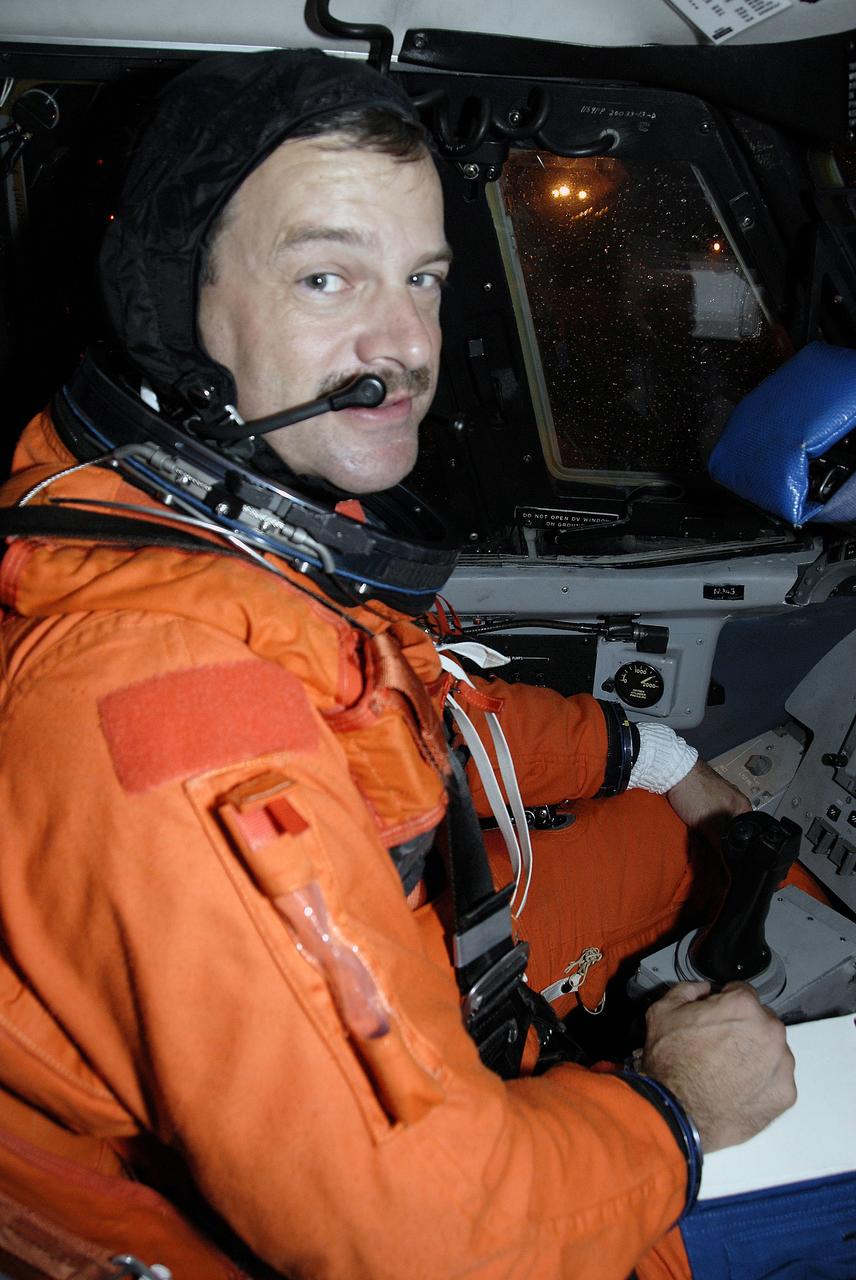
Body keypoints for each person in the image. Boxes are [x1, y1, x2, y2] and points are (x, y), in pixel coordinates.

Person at [0, 49, 802, 1280]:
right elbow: (423, 1240)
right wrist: (677, 1111)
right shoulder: (160, 693)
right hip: (353, 1223)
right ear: (176, 303)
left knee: (682, 841)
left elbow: (416, 707)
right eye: (326, 276)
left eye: (420, 276)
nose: (407, 342)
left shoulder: (215, 538)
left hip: (417, 952)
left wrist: (647, 751)